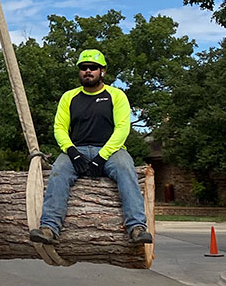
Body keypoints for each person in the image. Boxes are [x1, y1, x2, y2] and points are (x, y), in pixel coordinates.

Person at [29, 49, 153, 247]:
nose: (88, 71)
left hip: (111, 151)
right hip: (76, 150)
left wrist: (102, 157)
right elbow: (59, 128)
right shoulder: (69, 97)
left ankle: (137, 228)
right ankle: (49, 228)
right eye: (83, 68)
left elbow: (122, 128)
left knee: (125, 168)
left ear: (102, 71)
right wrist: (72, 152)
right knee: (58, 172)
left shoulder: (116, 96)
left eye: (93, 68)